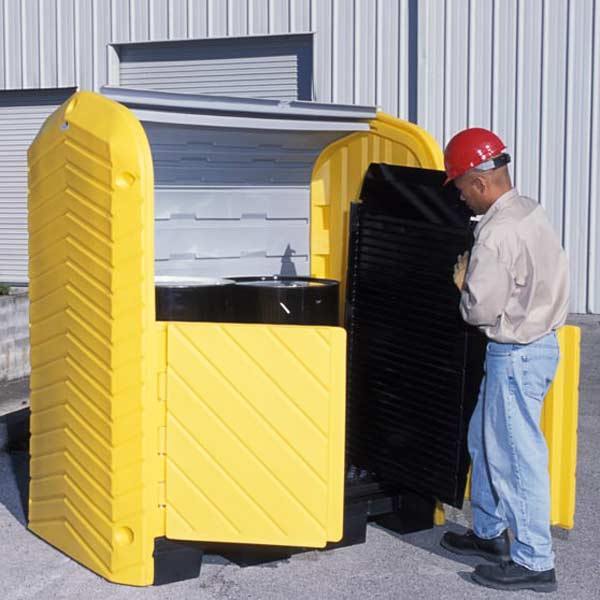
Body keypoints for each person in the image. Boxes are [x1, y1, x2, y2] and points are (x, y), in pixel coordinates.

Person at [439, 128, 569, 593]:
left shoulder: (495, 233)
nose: (460, 197)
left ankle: (535, 561)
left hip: (516, 353)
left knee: (515, 458)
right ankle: (490, 533)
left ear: (479, 182)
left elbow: (480, 310)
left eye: (460, 187)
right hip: (537, 345)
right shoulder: (529, 209)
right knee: (484, 441)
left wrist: (463, 284)